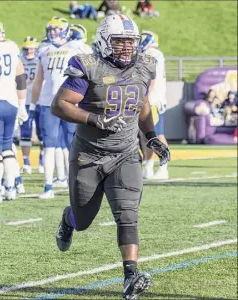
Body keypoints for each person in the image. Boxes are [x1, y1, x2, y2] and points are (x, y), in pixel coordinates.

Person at [51, 14, 170, 299]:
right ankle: (68, 221)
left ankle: (130, 277)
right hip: (89, 156)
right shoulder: (87, 65)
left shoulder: (145, 65)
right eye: (120, 41)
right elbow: (60, 105)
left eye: (130, 41)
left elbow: (141, 103)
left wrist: (151, 135)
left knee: (128, 215)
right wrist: (95, 119)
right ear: (105, 40)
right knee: (84, 219)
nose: (127, 47)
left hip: (125, 153)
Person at [30, 16, 81, 199]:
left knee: (72, 143)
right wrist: (31, 104)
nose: (52, 33)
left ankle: (73, 182)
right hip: (47, 103)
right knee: (49, 145)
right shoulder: (44, 50)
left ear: (66, 30)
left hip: (69, 102)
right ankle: (48, 186)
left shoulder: (76, 48)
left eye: (56, 29)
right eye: (50, 29)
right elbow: (38, 81)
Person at [0, 16, 27, 202]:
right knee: (7, 146)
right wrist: (22, 104)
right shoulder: (11, 46)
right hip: (11, 102)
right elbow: (21, 75)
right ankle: (10, 188)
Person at [139, 30, 169, 180]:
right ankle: (148, 166)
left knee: (156, 134)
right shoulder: (153, 53)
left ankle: (163, 167)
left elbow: (151, 78)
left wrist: (145, 97)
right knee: (146, 135)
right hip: (153, 99)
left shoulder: (152, 53)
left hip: (153, 100)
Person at [20, 36, 44, 174]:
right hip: (25, 101)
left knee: (42, 133)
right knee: (25, 133)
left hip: (40, 100)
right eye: (26, 48)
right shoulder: (19, 60)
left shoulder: (40, 60)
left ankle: (41, 160)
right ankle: (26, 162)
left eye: (31, 48)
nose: (29, 51)